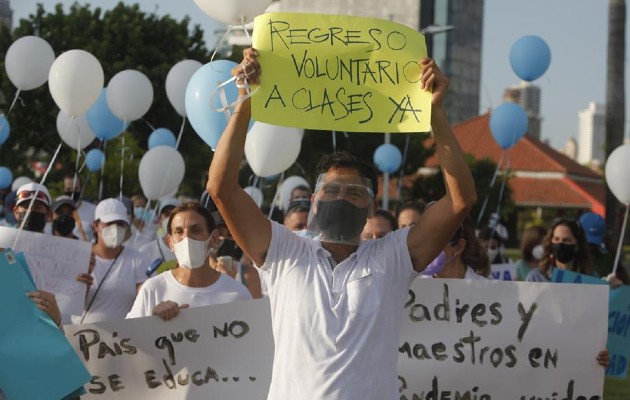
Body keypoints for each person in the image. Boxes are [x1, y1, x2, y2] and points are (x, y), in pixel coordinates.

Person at [207, 48, 476, 399]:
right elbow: (221, 189)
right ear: (314, 199)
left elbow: (461, 200)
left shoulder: (393, 256)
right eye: (331, 190)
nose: (341, 198)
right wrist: (246, 102)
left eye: (354, 193)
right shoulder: (285, 250)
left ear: (371, 205)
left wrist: (435, 112)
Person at [127, 202, 252, 320]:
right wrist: (152, 322)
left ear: (213, 238)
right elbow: (129, 337)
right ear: (170, 242)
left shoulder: (238, 294)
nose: (187, 237)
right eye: (179, 231)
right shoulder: (153, 290)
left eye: (195, 230)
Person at [74, 198, 151, 324]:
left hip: (121, 340)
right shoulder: (79, 257)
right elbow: (66, 304)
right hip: (82, 338)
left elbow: (148, 297)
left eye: (120, 224)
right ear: (96, 226)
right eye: (109, 223)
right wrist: (82, 287)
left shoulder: (138, 260)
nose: (115, 229)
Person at [579, 212, 627, 286]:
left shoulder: (608, 258)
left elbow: (624, 285)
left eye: (593, 244)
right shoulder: (569, 256)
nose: (590, 246)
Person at [138, 198, 180, 277]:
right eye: (167, 215)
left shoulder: (190, 248)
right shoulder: (145, 251)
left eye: (174, 214)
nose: (170, 218)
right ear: (159, 220)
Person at [62, 172, 96, 241]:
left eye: (75, 189)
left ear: (81, 189)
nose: (72, 192)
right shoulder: (58, 210)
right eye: (68, 189)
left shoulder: (94, 210)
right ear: (64, 189)